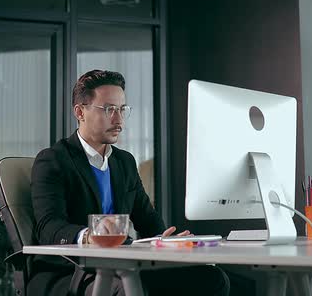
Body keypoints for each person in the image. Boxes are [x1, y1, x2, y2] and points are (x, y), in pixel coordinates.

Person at [28, 70, 230, 296]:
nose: (119, 119)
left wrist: (168, 243)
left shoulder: (124, 161)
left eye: (122, 109)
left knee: (211, 278)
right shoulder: (53, 160)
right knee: (127, 288)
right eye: (109, 110)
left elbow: (147, 219)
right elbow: (49, 227)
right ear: (80, 112)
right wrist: (90, 236)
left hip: (122, 265)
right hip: (69, 271)